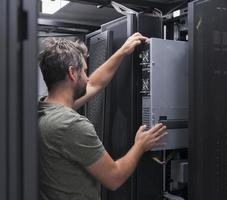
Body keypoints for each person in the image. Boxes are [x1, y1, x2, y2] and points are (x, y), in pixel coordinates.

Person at [38, 32, 167, 200]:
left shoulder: (42, 109)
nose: (87, 77)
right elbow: (114, 177)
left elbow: (93, 84)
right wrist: (140, 145)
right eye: (84, 71)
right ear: (72, 73)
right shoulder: (70, 124)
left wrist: (122, 52)